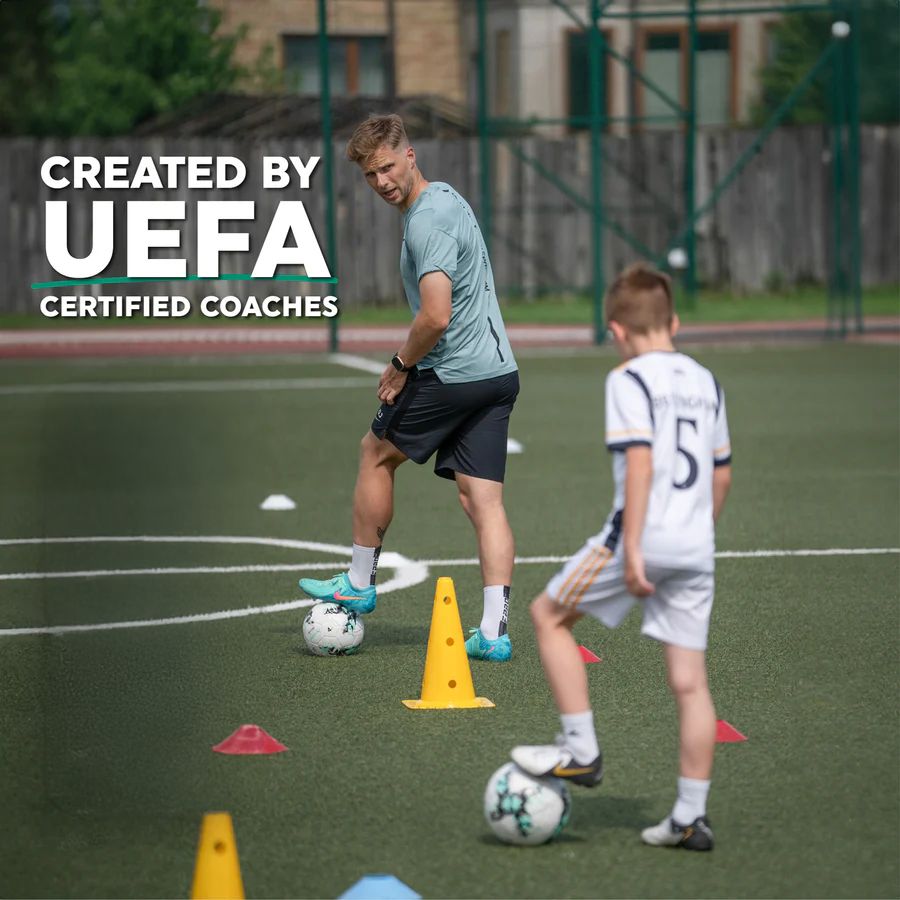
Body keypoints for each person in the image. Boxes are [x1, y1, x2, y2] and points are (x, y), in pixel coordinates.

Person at [510, 263, 732, 850]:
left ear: (616, 331)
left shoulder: (627, 379)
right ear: (674, 322)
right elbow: (722, 473)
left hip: (639, 538)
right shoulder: (707, 381)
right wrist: (696, 533)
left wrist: (634, 549)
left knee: (547, 616)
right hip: (694, 545)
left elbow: (639, 462)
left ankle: (580, 750)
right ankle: (689, 817)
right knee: (690, 683)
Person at [299, 114, 520, 662]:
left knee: (375, 453)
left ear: (411, 155)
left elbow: (436, 315)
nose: (381, 183)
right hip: (498, 375)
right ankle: (493, 634)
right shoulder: (445, 197)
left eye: (388, 168)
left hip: (455, 374)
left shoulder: (426, 221)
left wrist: (400, 365)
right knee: (482, 500)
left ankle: (358, 580)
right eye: (371, 175)